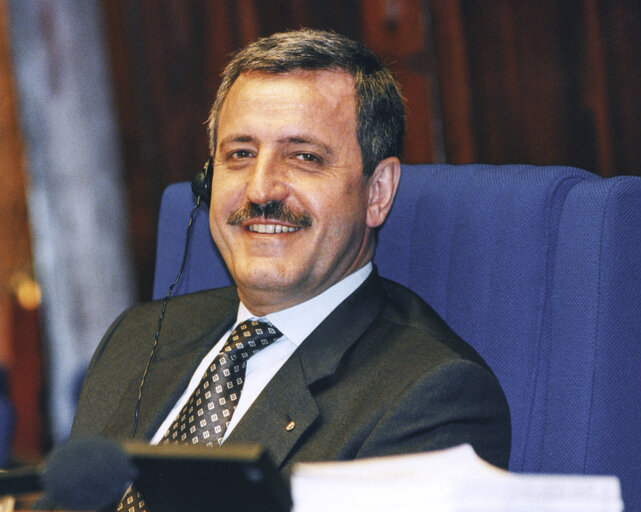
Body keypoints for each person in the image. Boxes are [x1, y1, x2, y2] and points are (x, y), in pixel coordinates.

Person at [68, 27, 510, 505]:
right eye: (240, 154)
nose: (260, 190)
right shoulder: (137, 337)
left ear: (377, 191)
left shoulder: (432, 396)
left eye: (304, 157)